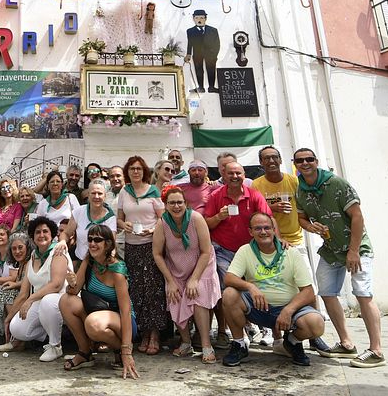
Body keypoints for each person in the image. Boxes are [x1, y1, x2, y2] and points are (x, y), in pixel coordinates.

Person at [293, 147, 384, 368]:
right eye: (300, 160)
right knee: (326, 292)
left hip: (356, 247)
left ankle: (376, 350)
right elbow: (301, 218)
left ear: (316, 161)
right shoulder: (301, 190)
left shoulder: (337, 183)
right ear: (295, 164)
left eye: (309, 159)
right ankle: (346, 343)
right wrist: (311, 226)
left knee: (363, 294)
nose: (305, 163)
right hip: (331, 249)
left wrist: (353, 250)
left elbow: (357, 216)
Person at [251, 146, 330, 352]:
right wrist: (271, 208)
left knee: (307, 287)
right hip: (269, 243)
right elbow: (255, 214)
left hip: (295, 240)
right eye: (266, 158)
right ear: (261, 163)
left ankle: (314, 336)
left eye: (274, 157)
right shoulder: (257, 185)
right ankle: (277, 338)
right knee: (272, 288)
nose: (271, 161)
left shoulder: (293, 181)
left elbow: (305, 206)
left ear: (280, 160)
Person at [222, 212, 326, 367]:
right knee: (229, 294)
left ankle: (292, 342)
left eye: (267, 228)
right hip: (258, 308)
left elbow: (308, 291)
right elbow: (229, 278)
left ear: (274, 230)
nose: (263, 232)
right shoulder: (245, 250)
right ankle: (239, 344)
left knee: (316, 324)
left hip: (288, 309)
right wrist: (250, 286)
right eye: (258, 228)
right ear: (250, 232)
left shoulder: (291, 252)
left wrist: (289, 310)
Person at [205, 160, 274, 346]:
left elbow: (268, 219)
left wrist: (277, 241)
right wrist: (219, 217)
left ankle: (264, 327)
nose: (235, 176)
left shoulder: (254, 195)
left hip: (250, 251)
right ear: (224, 175)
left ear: (244, 175)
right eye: (231, 173)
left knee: (260, 285)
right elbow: (207, 224)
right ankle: (242, 332)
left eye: (238, 173)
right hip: (223, 250)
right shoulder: (216, 195)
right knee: (229, 289)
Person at [60, 225, 139, 379]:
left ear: (108, 244)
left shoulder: (117, 270)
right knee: (65, 301)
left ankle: (119, 349)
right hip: (97, 314)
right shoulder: (89, 260)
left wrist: (127, 351)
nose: (92, 243)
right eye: (90, 239)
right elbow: (73, 292)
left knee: (93, 323)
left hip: (123, 321)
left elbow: (125, 311)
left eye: (97, 240)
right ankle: (85, 352)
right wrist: (71, 283)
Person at [152, 186, 220, 364]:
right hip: (176, 267)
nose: (176, 206)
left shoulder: (196, 219)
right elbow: (157, 254)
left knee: (197, 296)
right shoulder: (162, 223)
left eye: (179, 202)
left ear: (186, 203)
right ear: (166, 205)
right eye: (172, 203)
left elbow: (206, 251)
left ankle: (206, 345)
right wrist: (170, 281)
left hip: (202, 265)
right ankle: (186, 342)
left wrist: (195, 279)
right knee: (174, 296)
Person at [117, 155, 166, 355]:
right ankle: (144, 333)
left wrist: (153, 230)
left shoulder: (153, 191)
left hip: (151, 245)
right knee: (137, 289)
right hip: (132, 246)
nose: (135, 172)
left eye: (139, 168)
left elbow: (163, 218)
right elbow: (119, 219)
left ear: (144, 171)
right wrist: (125, 225)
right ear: (127, 172)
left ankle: (155, 334)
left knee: (153, 289)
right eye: (132, 169)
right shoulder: (124, 191)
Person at [7, 216, 73, 362]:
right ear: (32, 236)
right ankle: (51, 331)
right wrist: (9, 318)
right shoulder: (33, 255)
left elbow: (56, 284)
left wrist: (30, 299)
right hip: (40, 302)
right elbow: (24, 291)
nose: (41, 235)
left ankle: (55, 346)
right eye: (37, 232)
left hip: (62, 299)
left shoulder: (58, 251)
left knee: (47, 301)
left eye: (45, 231)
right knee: (16, 328)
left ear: (52, 234)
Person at [68, 179, 118, 266]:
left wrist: (110, 263)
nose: (96, 196)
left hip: (100, 263)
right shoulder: (78, 211)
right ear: (88, 195)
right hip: (80, 260)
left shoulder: (110, 217)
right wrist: (62, 242)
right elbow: (66, 233)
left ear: (105, 196)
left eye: (100, 193)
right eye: (93, 193)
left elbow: (111, 244)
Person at [0, 232, 31, 349]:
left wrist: (15, 284)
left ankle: (17, 338)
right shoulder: (21, 264)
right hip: (24, 294)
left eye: (20, 247)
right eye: (14, 249)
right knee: (5, 292)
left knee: (9, 294)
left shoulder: (30, 262)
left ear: (27, 248)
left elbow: (29, 283)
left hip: (32, 297)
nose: (17, 251)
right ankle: (12, 335)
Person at [184, 9, 220, 93]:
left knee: (211, 69)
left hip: (210, 54)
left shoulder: (213, 30)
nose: (199, 20)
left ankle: (211, 87)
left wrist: (215, 54)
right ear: (193, 19)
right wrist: (188, 54)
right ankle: (200, 87)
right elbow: (190, 43)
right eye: (197, 18)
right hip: (197, 53)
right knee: (198, 70)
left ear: (205, 19)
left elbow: (217, 43)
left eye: (201, 18)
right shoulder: (190, 31)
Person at [35, 170, 79, 236]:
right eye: (52, 181)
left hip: (68, 237)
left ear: (62, 185)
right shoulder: (43, 204)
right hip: (49, 239)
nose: (55, 184)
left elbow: (78, 219)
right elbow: (39, 224)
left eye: (58, 181)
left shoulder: (71, 198)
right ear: (48, 185)